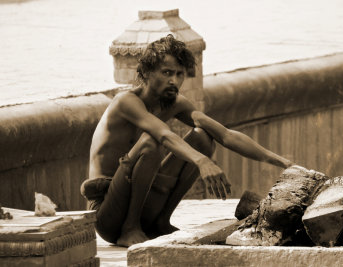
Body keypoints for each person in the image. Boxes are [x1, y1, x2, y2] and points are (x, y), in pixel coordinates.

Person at [80, 34, 294, 247]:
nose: (174, 80)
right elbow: (164, 134)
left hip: (146, 207)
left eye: (179, 74)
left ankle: (161, 221)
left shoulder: (176, 103)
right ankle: (130, 229)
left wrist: (282, 163)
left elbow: (225, 134)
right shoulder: (126, 101)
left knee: (203, 137)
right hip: (108, 213)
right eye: (166, 73)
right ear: (146, 72)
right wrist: (202, 162)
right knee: (150, 143)